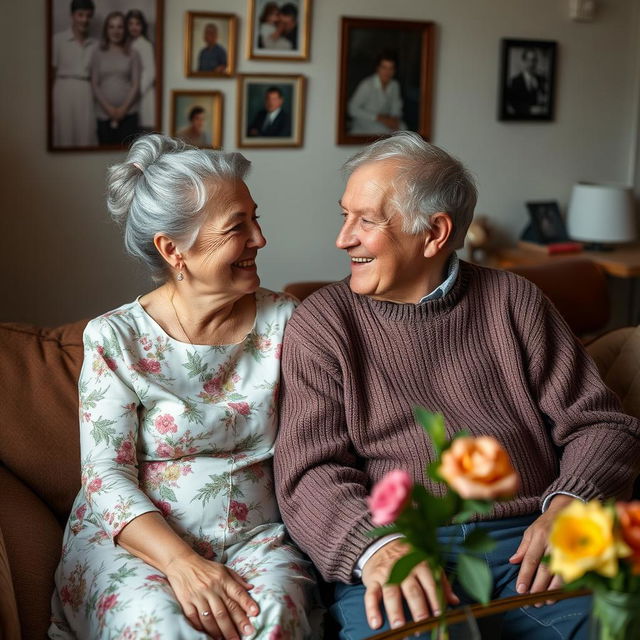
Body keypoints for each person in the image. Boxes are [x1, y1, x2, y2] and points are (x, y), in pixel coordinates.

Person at [275, 131, 640, 639]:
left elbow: (602, 423)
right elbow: (308, 471)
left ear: (434, 233)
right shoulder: (324, 324)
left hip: (526, 539)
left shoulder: (515, 301)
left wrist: (571, 504)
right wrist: (373, 548)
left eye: (367, 221)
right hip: (401, 546)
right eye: (345, 216)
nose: (343, 238)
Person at [49, 134, 318, 639]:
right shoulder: (116, 338)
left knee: (274, 621)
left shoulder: (287, 321)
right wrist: (181, 564)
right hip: (136, 543)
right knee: (160, 629)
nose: (260, 238)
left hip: (255, 539)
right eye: (238, 228)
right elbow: (105, 474)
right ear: (173, 249)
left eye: (255, 218)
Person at [90, 11, 141, 146]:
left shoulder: (133, 53)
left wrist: (122, 110)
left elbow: (136, 84)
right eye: (111, 27)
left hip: (129, 114)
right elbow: (94, 84)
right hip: (103, 114)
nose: (116, 31)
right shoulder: (97, 53)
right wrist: (110, 110)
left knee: (128, 158)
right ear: (106, 30)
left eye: (120, 27)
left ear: (125, 30)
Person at [52, 0, 98, 147]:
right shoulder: (58, 40)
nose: (84, 19)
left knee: (86, 132)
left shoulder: (95, 44)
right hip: (63, 89)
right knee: (63, 131)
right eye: (80, 15)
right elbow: (51, 72)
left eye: (88, 16)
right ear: (72, 16)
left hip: (85, 90)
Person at [347, 51, 407, 135]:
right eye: (384, 67)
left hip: (385, 121)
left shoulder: (394, 85)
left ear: (394, 70)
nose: (387, 72)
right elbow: (352, 108)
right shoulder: (367, 85)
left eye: (391, 68)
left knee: (404, 129)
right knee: (383, 132)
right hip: (365, 121)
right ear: (377, 68)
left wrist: (394, 118)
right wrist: (378, 118)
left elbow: (396, 106)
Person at [126, 9, 155, 132]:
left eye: (137, 24)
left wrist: (136, 93)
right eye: (131, 24)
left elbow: (150, 72)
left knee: (143, 131)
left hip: (143, 94)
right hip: (132, 93)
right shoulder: (129, 44)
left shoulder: (145, 45)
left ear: (143, 26)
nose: (134, 27)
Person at [506, 48, 549, 116]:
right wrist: (529, 109)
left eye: (534, 60)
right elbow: (513, 103)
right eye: (529, 60)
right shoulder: (515, 81)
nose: (532, 64)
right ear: (523, 61)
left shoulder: (543, 79)